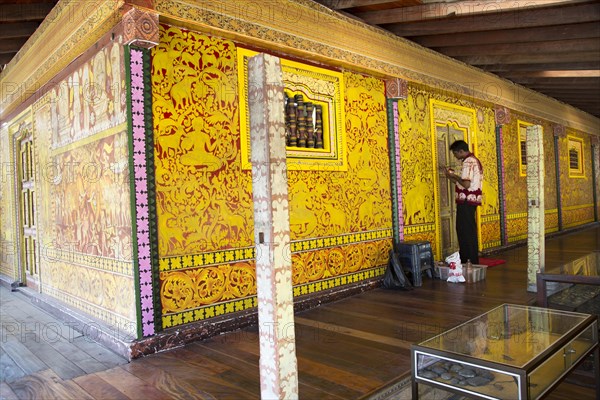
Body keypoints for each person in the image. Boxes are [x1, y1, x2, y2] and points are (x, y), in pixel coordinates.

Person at [444, 140, 483, 264]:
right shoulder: (471, 160)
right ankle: (470, 258)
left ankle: (468, 259)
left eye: (455, 153)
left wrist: (454, 175)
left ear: (461, 151)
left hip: (467, 201)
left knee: (464, 230)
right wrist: (450, 176)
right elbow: (461, 184)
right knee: (467, 229)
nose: (455, 156)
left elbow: (465, 184)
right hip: (469, 200)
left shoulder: (468, 161)